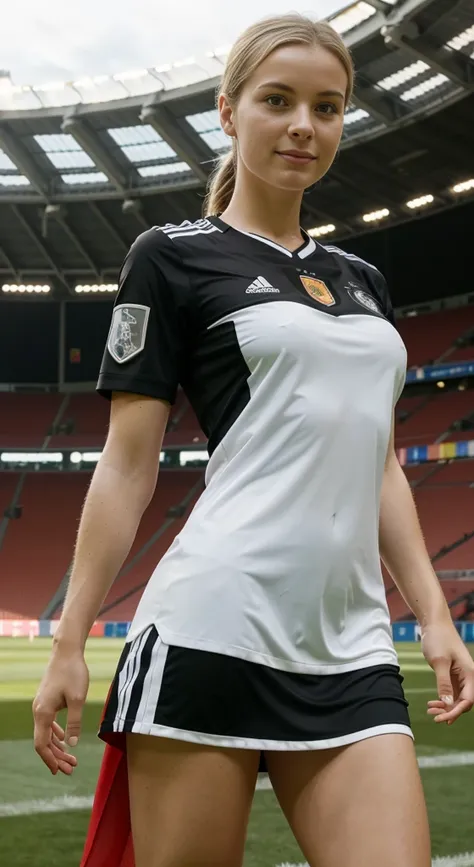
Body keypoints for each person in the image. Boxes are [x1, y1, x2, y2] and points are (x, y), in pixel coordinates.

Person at [33, 12, 474, 867]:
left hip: (353, 646)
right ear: (230, 113)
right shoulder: (170, 255)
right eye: (279, 101)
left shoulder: (363, 280)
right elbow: (128, 464)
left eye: (329, 106)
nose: (305, 126)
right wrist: (70, 640)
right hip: (211, 630)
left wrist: (435, 616)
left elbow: (380, 463)